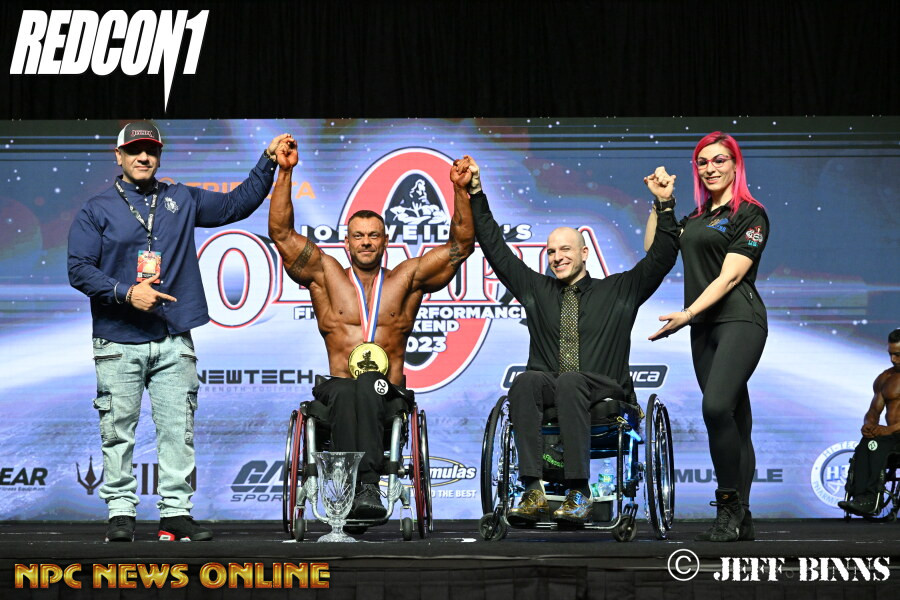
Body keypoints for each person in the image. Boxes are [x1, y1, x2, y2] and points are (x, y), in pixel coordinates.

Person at [68, 121, 290, 542]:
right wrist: (126, 292)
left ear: (159, 155)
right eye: (134, 150)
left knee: (178, 431)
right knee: (117, 431)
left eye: (150, 150)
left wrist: (267, 161)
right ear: (119, 156)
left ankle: (175, 512)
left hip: (173, 337)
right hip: (117, 338)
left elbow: (235, 205)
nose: (143, 157)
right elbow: (78, 269)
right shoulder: (96, 209)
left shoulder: (180, 198)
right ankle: (120, 512)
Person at [267, 141, 474, 519]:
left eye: (374, 235)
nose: (366, 241)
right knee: (350, 388)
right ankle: (363, 487)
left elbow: (461, 245)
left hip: (387, 394)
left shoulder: (407, 279)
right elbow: (281, 234)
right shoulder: (325, 275)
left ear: (385, 241)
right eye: (359, 235)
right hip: (337, 390)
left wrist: (460, 190)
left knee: (366, 384)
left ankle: (364, 486)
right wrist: (285, 172)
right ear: (346, 242)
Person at [469, 159, 679, 525]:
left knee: (570, 381)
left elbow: (662, 257)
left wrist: (664, 204)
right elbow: (495, 247)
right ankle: (532, 490)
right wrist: (475, 193)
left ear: (584, 253)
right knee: (526, 381)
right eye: (551, 252)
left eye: (565, 249)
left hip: (605, 395)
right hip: (554, 391)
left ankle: (579, 491)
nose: (557, 257)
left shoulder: (619, 290)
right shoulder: (536, 289)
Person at [646, 131, 769, 542]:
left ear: (735, 164)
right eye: (702, 162)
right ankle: (742, 518)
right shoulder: (695, 219)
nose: (710, 168)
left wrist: (687, 313)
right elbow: (654, 249)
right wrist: (661, 203)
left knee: (715, 407)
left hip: (739, 320)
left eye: (719, 160)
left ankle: (728, 505)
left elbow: (730, 276)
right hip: (703, 329)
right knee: (734, 420)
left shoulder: (750, 214)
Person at [838, 329, 900, 516]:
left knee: (878, 444)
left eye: (898, 355)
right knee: (868, 442)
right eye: (890, 354)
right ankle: (861, 498)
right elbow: (873, 411)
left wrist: (889, 430)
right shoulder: (885, 378)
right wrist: (869, 425)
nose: (893, 359)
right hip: (892, 437)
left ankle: (871, 498)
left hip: (893, 434)